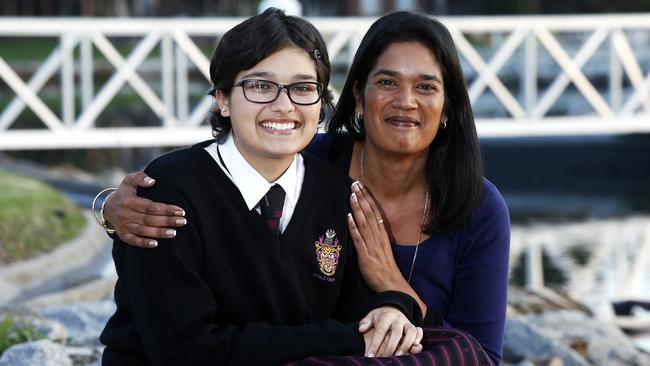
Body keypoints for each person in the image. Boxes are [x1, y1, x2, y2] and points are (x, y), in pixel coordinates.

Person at [98, 11, 510, 365]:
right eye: (260, 86)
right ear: (222, 98)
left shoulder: (333, 190)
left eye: (302, 89)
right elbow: (184, 351)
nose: (283, 106)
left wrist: (392, 300)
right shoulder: (172, 194)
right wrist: (111, 206)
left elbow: (473, 352)